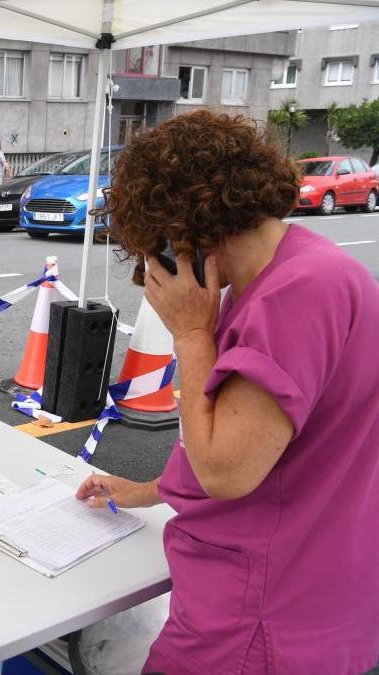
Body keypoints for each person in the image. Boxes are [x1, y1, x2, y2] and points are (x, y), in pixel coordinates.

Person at [75, 110, 379, 673]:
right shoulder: (300, 269)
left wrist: (191, 334)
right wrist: (144, 491)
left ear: (176, 233)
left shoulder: (291, 298)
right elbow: (274, 445)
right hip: (308, 597)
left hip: (259, 616)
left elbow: (227, 471)